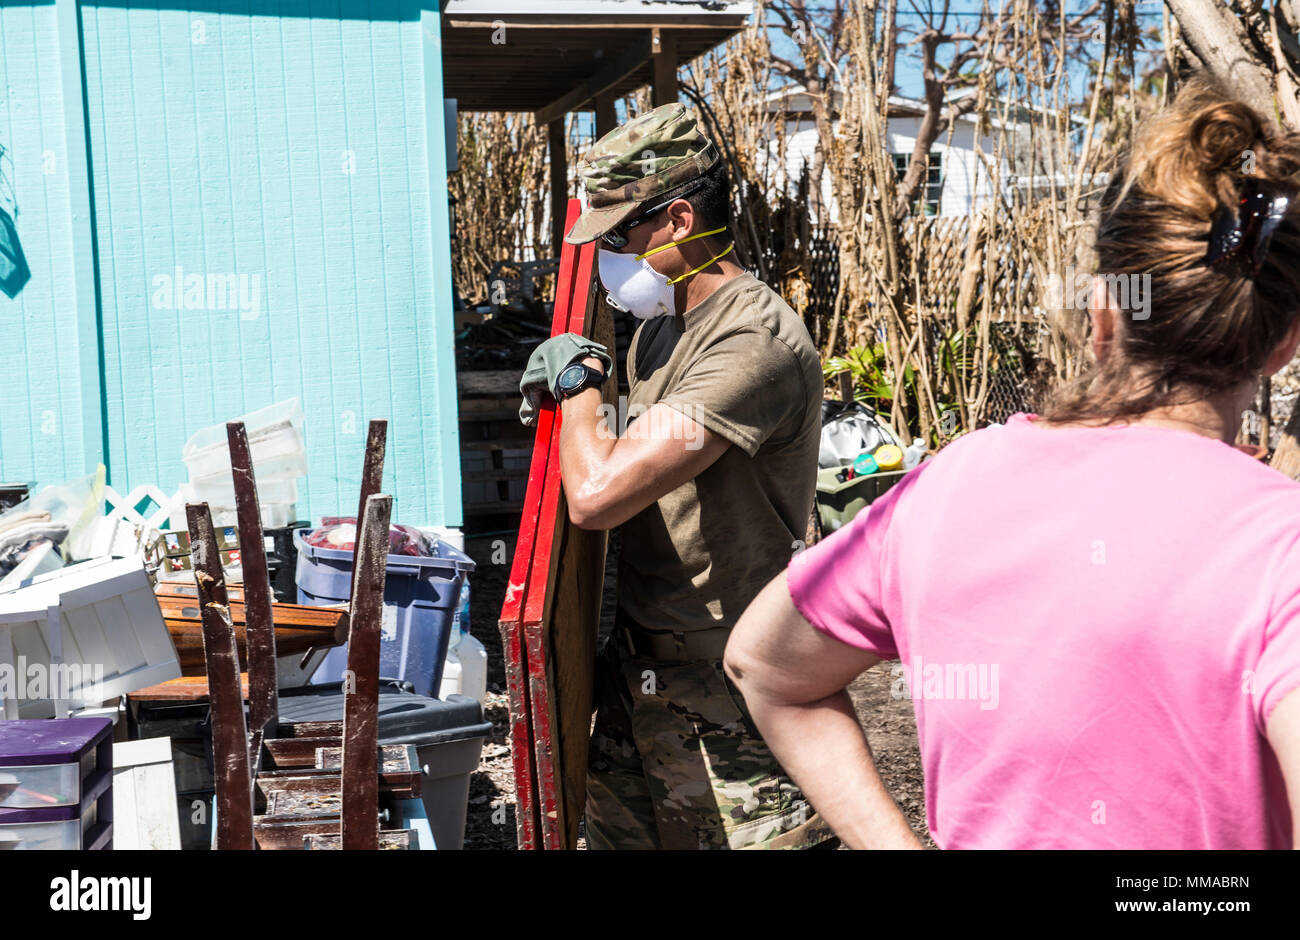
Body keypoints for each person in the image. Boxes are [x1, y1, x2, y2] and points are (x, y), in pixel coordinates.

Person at [723, 78, 1300, 850]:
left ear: (1103, 314)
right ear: (1285, 342)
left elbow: (764, 667)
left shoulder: (947, 488)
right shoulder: (1277, 547)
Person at [518, 103, 833, 849]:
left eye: (620, 236)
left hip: (733, 691)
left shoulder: (750, 342)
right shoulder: (661, 330)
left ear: (680, 219)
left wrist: (578, 385)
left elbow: (597, 495)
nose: (609, 260)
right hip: (640, 680)